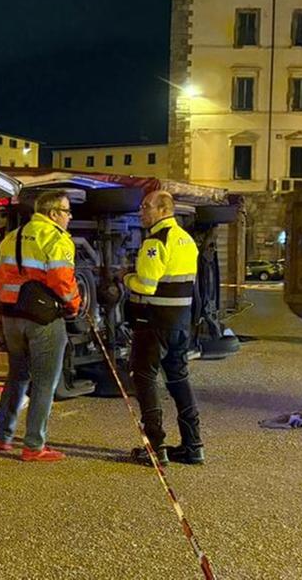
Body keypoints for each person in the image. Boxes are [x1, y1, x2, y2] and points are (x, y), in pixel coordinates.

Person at [0, 190, 81, 462]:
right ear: (53, 214)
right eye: (66, 211)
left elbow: (0, 277)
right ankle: (34, 445)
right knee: (45, 382)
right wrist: (75, 304)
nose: (69, 217)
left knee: (17, 376)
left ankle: (3, 437)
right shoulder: (57, 239)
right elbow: (62, 280)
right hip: (43, 319)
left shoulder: (12, 237)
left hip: (10, 316)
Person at [126, 190, 203, 466]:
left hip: (154, 322)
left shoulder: (155, 242)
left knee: (144, 377)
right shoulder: (186, 239)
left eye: (146, 206)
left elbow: (146, 285)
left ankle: (155, 447)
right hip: (181, 322)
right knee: (179, 379)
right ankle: (193, 446)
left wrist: (126, 278)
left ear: (162, 209)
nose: (141, 212)